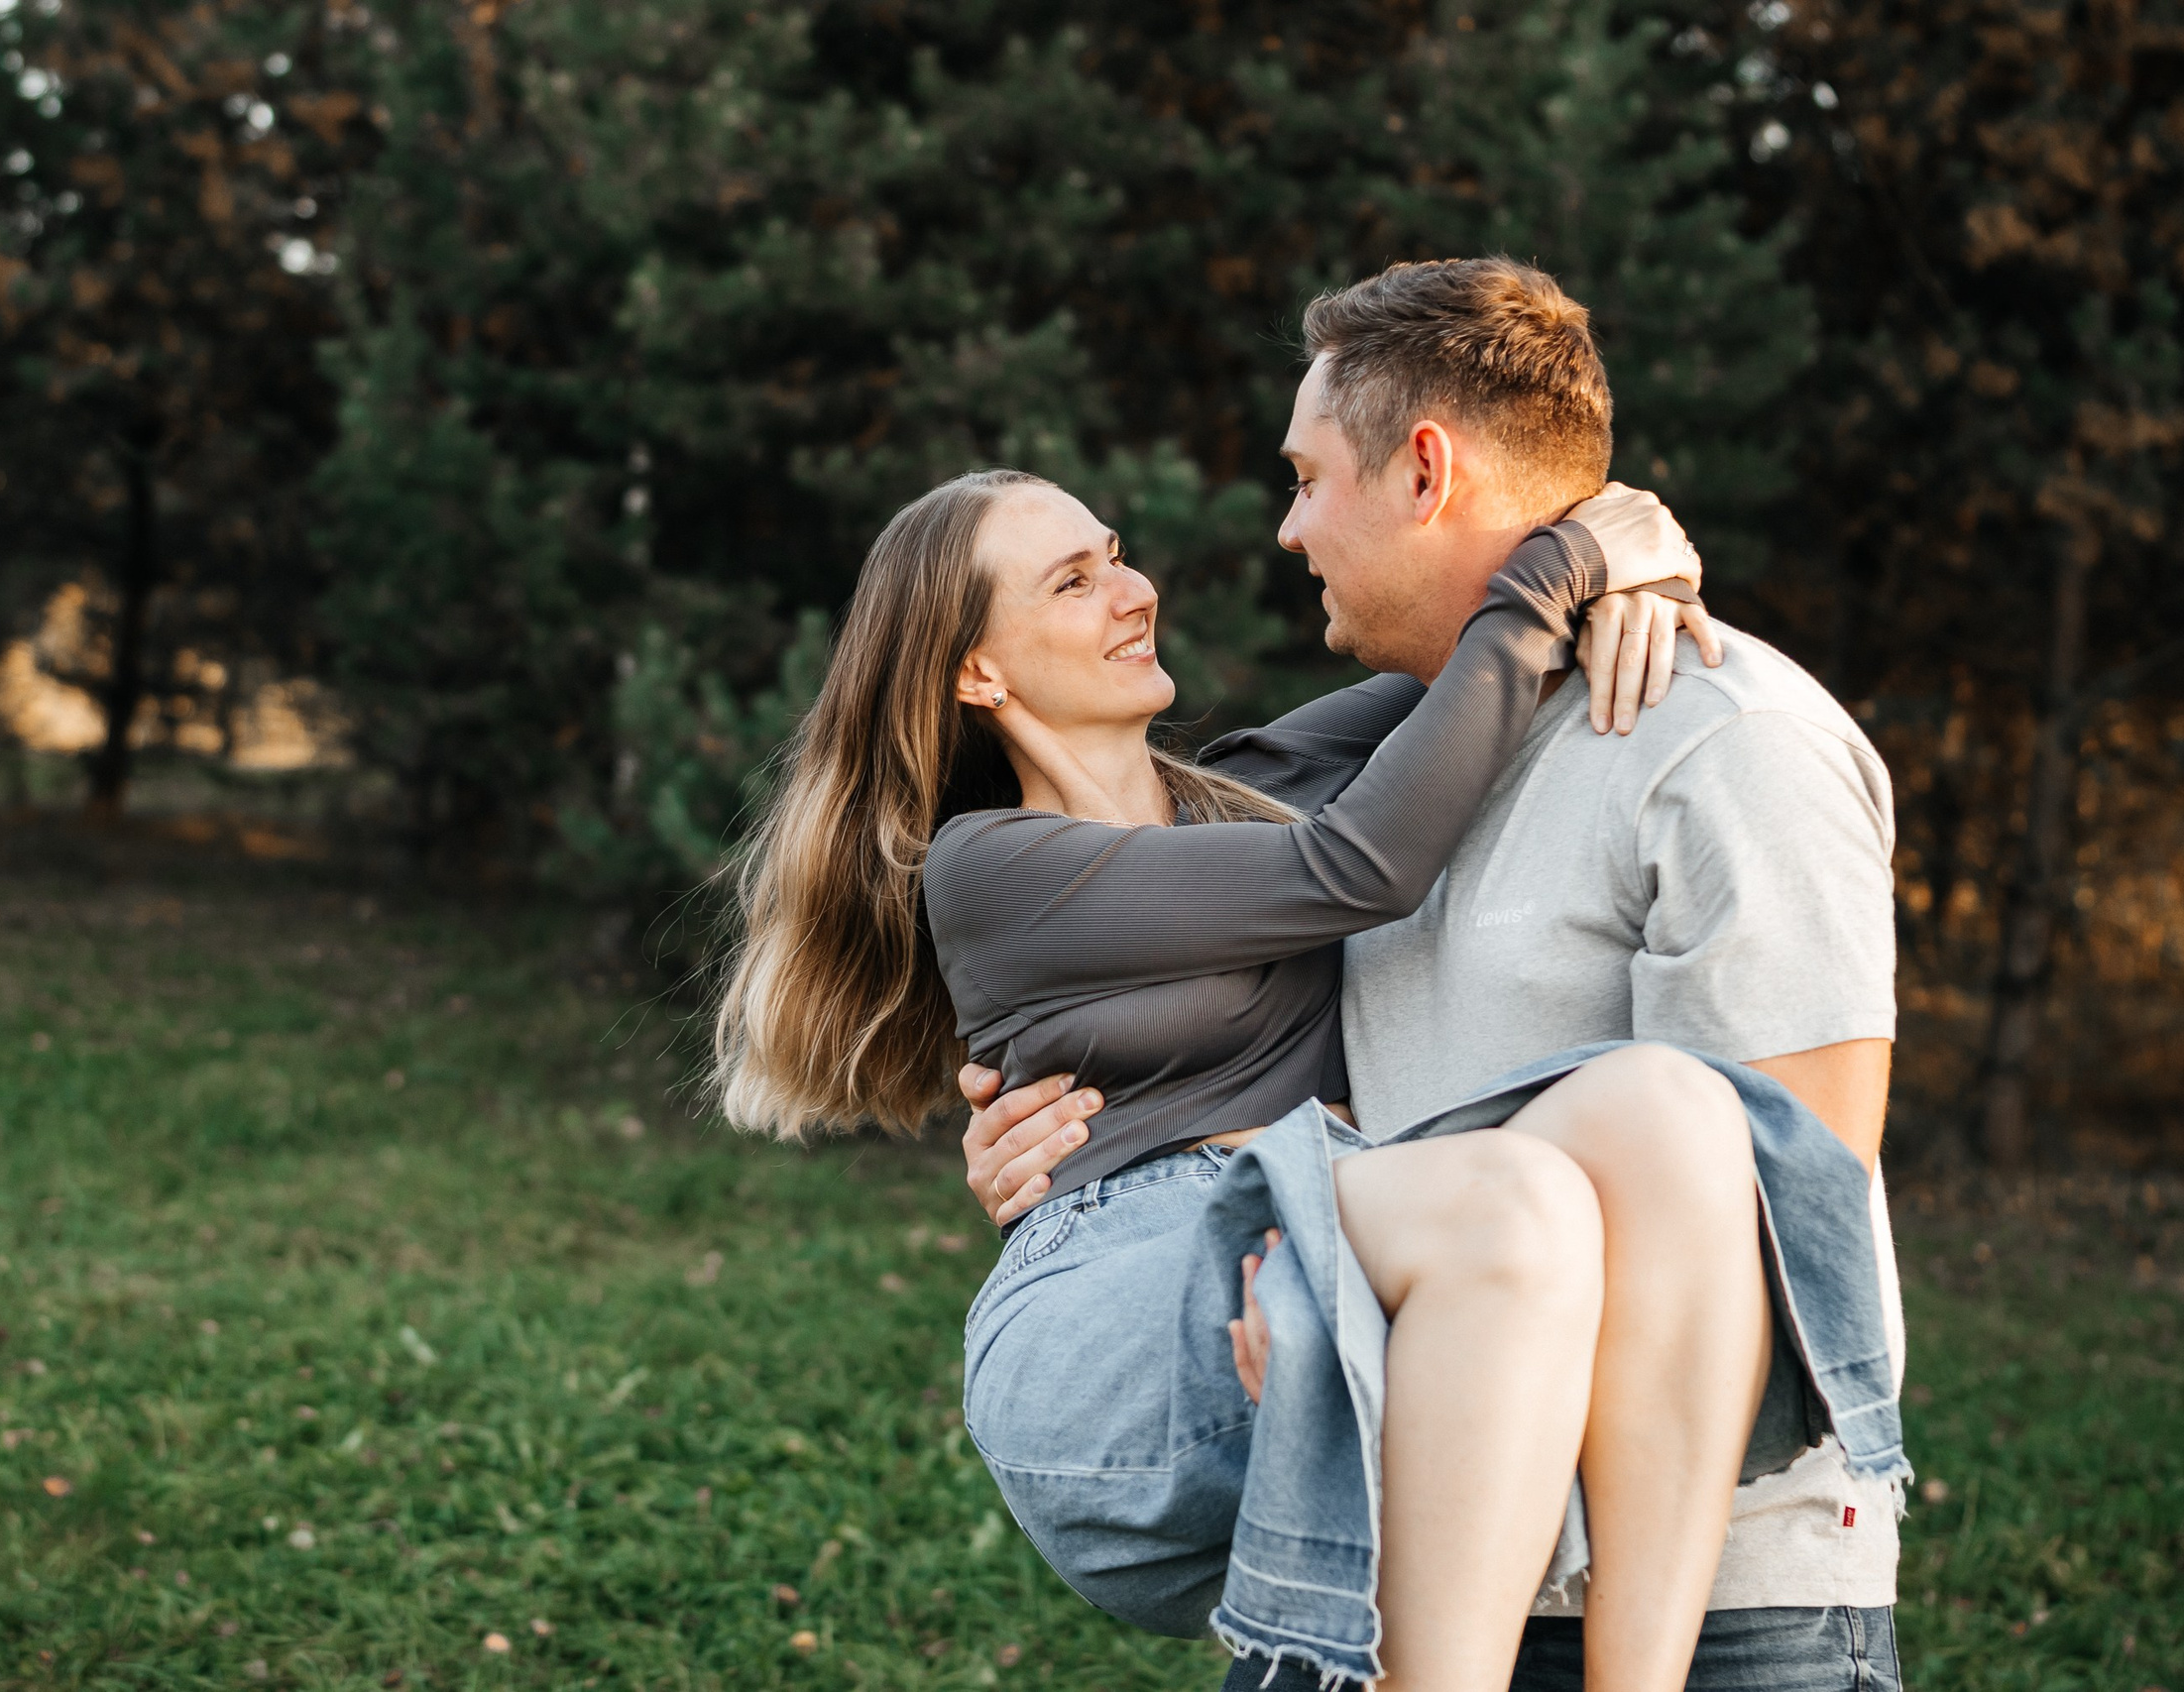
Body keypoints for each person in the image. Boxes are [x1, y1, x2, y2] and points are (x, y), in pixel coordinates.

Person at [707, 271, 1904, 1685]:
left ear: (1424, 470)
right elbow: (1368, 857)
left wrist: (1615, 542)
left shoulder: (1261, 790)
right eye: (1072, 579)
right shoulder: (991, 862)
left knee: (1676, 1112)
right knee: (1523, 1187)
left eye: (1114, 554)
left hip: (1396, 1283)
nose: (1147, 582)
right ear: (973, 675)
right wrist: (1555, 569)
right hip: (1207, 1276)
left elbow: (1467, 690)